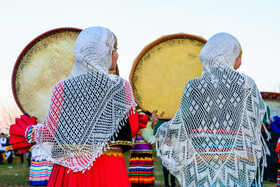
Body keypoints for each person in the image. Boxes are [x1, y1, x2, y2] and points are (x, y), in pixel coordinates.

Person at [10, 26, 140, 187]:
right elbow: (133, 127)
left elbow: (51, 131)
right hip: (109, 166)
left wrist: (27, 132)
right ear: (101, 52)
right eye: (113, 49)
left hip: (69, 171)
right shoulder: (122, 86)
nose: (116, 54)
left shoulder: (62, 88)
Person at [152, 33, 270, 187]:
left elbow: (181, 124)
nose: (240, 61)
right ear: (227, 56)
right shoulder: (247, 84)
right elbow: (263, 114)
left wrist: (157, 125)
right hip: (237, 164)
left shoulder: (193, 86)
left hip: (201, 164)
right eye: (239, 56)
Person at [128, 115, 155, 186]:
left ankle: (141, 181)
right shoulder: (137, 127)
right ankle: (141, 181)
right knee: (142, 165)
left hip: (142, 149)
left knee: (141, 165)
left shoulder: (148, 126)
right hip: (139, 148)